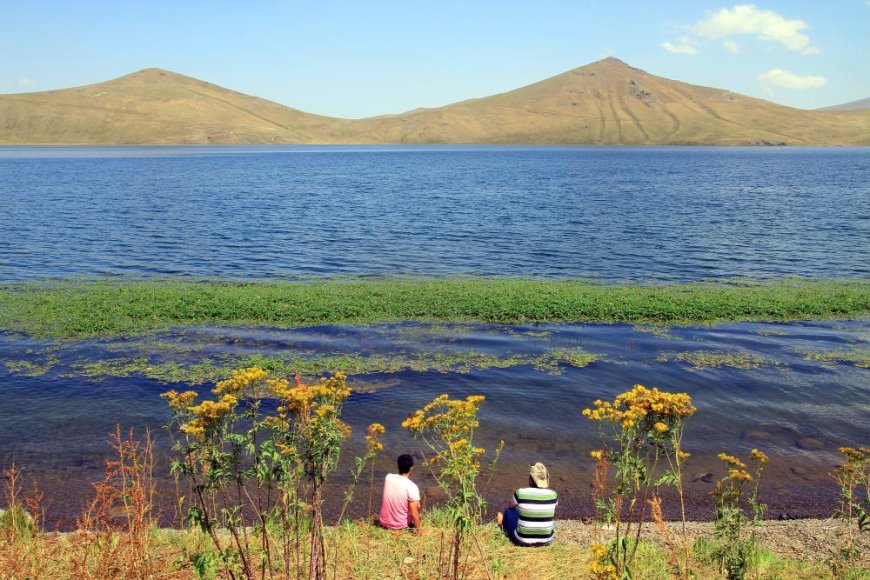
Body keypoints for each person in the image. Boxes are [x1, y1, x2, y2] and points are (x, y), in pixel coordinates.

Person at [497, 462, 558, 546]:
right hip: (546, 541)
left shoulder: (520, 492)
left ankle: (502, 526)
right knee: (550, 520)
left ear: (530, 479)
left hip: (521, 540)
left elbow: (511, 506)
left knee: (509, 511)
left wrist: (516, 505)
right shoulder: (553, 495)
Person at [378, 453, 422, 533]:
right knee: (415, 504)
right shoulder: (411, 486)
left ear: (398, 466)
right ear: (411, 469)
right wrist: (419, 531)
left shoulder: (388, 477)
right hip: (399, 526)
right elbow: (414, 513)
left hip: (383, 523)